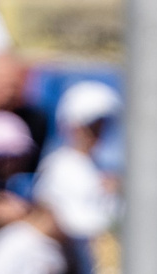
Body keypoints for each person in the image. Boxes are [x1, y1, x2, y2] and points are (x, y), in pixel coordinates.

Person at [33, 78, 118, 242]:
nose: (96, 132)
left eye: (101, 125)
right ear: (71, 125)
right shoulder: (58, 165)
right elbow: (67, 222)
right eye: (90, 125)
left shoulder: (98, 168)